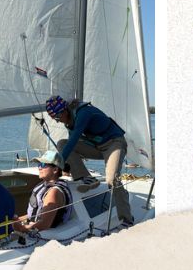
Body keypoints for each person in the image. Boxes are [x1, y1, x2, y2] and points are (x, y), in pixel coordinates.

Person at [45, 95, 133, 227]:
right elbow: (70, 144)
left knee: (112, 180)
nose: (58, 121)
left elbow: (74, 139)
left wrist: (56, 165)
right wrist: (68, 167)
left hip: (114, 143)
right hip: (97, 147)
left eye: (57, 118)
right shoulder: (68, 120)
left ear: (64, 111)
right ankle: (85, 178)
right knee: (62, 143)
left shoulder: (83, 113)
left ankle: (127, 219)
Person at [13, 150, 77, 236]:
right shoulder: (45, 185)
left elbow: (44, 224)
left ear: (55, 169)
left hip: (44, 234)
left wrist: (20, 228)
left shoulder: (54, 192)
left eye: (43, 165)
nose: (39, 167)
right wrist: (16, 220)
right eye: (39, 164)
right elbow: (33, 215)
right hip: (34, 226)